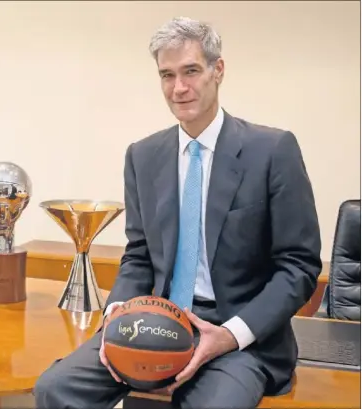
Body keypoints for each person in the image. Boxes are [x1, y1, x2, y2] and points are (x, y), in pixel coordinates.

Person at [34, 16, 322, 409]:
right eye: (167, 75)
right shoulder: (143, 155)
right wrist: (115, 317)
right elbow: (139, 254)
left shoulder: (272, 151)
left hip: (236, 338)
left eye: (191, 71)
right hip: (153, 324)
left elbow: (298, 267)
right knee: (55, 388)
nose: (179, 88)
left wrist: (230, 334)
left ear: (217, 70)